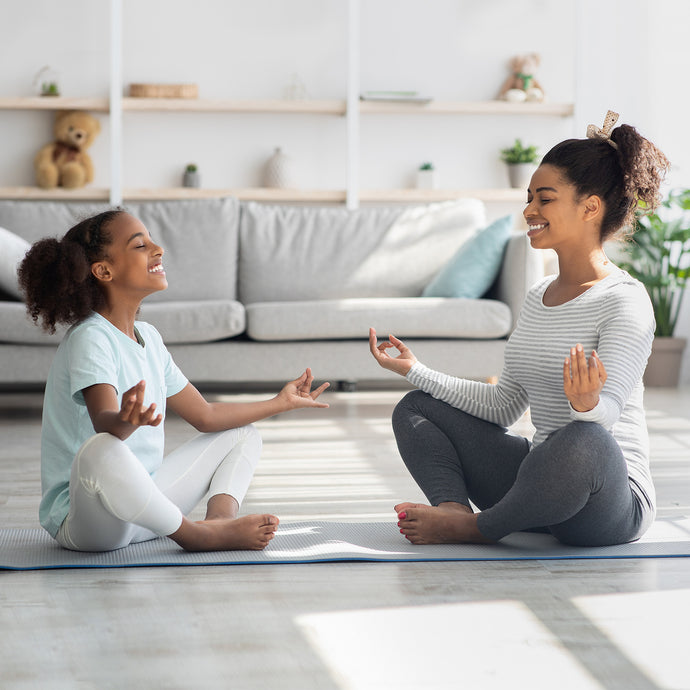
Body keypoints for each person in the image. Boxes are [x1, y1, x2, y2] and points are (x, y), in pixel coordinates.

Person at [369, 110, 670, 547]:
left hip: (606, 497)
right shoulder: (538, 295)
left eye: (544, 199)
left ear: (590, 207)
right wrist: (416, 370)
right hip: (539, 486)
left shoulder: (625, 300)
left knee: (584, 439)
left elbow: (605, 416)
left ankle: (476, 529)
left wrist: (586, 405)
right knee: (417, 407)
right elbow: (504, 405)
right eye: (529, 197)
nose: (529, 210)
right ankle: (453, 509)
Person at [18, 209, 329, 553]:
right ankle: (197, 537)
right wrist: (125, 420)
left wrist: (280, 402)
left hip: (147, 511)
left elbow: (205, 417)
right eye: (140, 245)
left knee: (242, 433)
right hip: (89, 523)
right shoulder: (91, 337)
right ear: (104, 270)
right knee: (101, 449)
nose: (158, 249)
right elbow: (104, 423)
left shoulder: (149, 337)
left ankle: (219, 522)